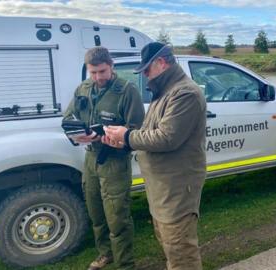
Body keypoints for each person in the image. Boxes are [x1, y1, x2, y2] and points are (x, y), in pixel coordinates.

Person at [102, 41, 207, 270]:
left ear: (161, 63)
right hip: (162, 188)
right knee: (169, 245)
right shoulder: (165, 91)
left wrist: (127, 136)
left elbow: (167, 138)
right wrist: (122, 141)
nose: (146, 75)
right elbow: (150, 134)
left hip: (177, 188)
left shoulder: (184, 93)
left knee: (180, 252)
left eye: (147, 69)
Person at [63, 46, 144, 270]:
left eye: (102, 72)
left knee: (118, 217)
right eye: (93, 72)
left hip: (115, 161)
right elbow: (69, 117)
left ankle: (125, 264)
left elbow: (137, 130)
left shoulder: (127, 91)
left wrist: (118, 136)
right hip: (90, 160)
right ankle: (105, 254)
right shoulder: (83, 88)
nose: (98, 77)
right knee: (96, 213)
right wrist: (77, 133)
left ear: (111, 67)